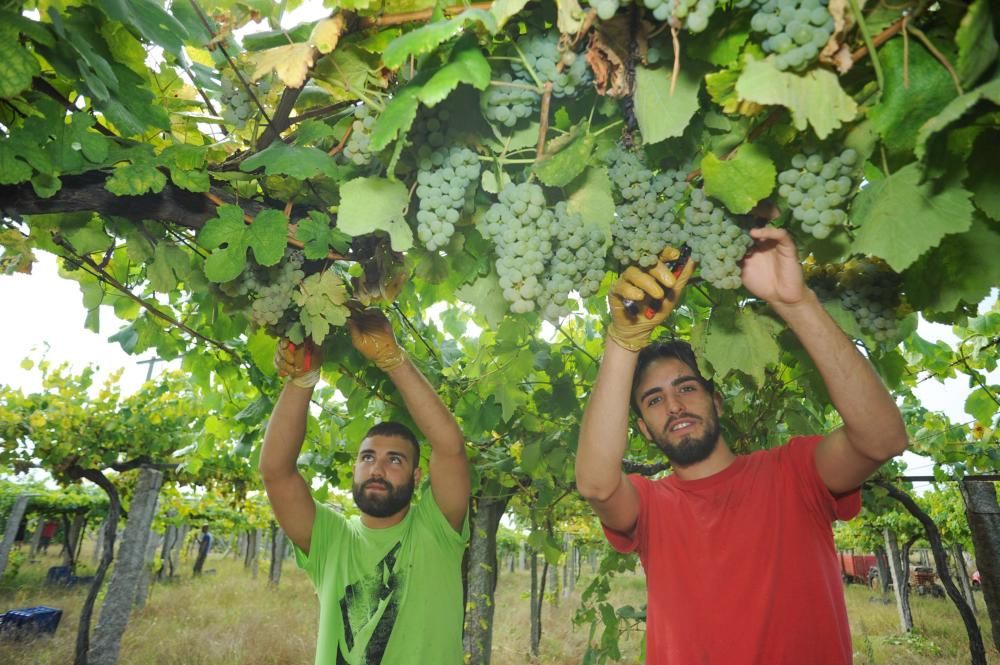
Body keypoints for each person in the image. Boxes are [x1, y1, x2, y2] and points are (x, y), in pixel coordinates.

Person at [575, 228, 908, 665]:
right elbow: (597, 486)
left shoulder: (795, 471)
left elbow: (883, 438)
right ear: (643, 427)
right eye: (654, 400)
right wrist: (622, 341)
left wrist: (795, 302)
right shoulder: (649, 505)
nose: (674, 405)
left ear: (716, 400)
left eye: (687, 388)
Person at [260, 308, 470, 665]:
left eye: (395, 460)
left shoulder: (438, 530)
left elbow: (450, 447)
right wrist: (302, 379)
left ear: (417, 478)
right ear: (355, 468)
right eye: (368, 458)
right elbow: (276, 471)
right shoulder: (329, 539)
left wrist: (394, 360)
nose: (378, 469)